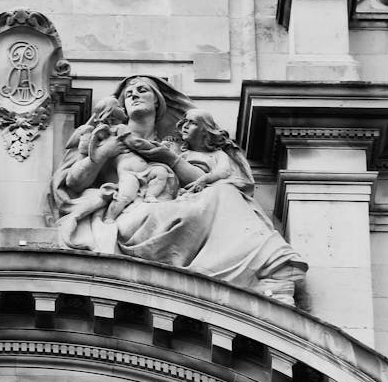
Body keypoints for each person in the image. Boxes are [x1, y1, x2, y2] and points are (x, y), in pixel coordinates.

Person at [51, 75, 306, 303]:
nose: (134, 95)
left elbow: (204, 179)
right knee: (195, 207)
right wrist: (103, 154)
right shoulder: (106, 135)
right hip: (133, 214)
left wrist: (170, 159)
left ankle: (272, 268)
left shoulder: (175, 147)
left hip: (170, 206)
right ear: (122, 106)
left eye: (142, 90)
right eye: (128, 94)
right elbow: (73, 183)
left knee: (226, 194)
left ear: (158, 103)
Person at [176, 109, 255, 196]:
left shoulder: (218, 154)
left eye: (193, 123)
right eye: (185, 121)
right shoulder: (182, 154)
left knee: (225, 189)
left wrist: (205, 179)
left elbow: (224, 171)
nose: (185, 126)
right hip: (185, 193)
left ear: (205, 132)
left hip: (207, 190)